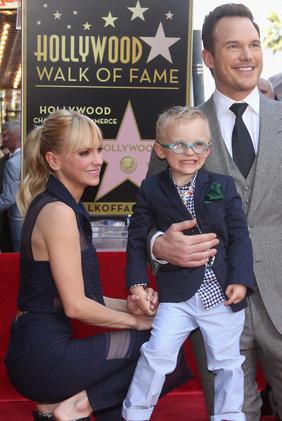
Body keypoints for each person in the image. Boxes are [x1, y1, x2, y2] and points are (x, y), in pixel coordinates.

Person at [147, 3, 282, 421]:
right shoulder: (179, 128)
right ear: (208, 58)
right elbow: (150, 219)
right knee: (230, 415)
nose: (248, 56)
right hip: (210, 304)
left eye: (254, 44)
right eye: (234, 46)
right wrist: (159, 246)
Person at [4, 110, 160, 421]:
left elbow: (84, 299)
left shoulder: (59, 205)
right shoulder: (59, 212)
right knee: (160, 346)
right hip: (42, 356)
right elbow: (76, 307)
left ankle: (61, 411)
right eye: (84, 152)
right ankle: (78, 407)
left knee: (158, 338)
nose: (97, 161)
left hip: (36, 348)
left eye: (99, 150)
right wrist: (140, 323)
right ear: (54, 161)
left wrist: (133, 308)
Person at [122, 106, 254, 421]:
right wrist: (138, 283)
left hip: (221, 294)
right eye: (178, 145)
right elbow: (138, 238)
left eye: (198, 145)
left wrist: (241, 279)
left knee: (228, 363)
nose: (189, 152)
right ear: (160, 150)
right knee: (156, 355)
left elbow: (239, 237)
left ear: (208, 151)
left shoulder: (222, 185)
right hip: (177, 295)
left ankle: (229, 415)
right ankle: (135, 413)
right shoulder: (151, 188)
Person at [0, 120, 23, 251]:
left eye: (5, 135)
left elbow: (9, 198)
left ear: (14, 137)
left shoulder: (13, 163)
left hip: (18, 221)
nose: (3, 140)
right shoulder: (31, 156)